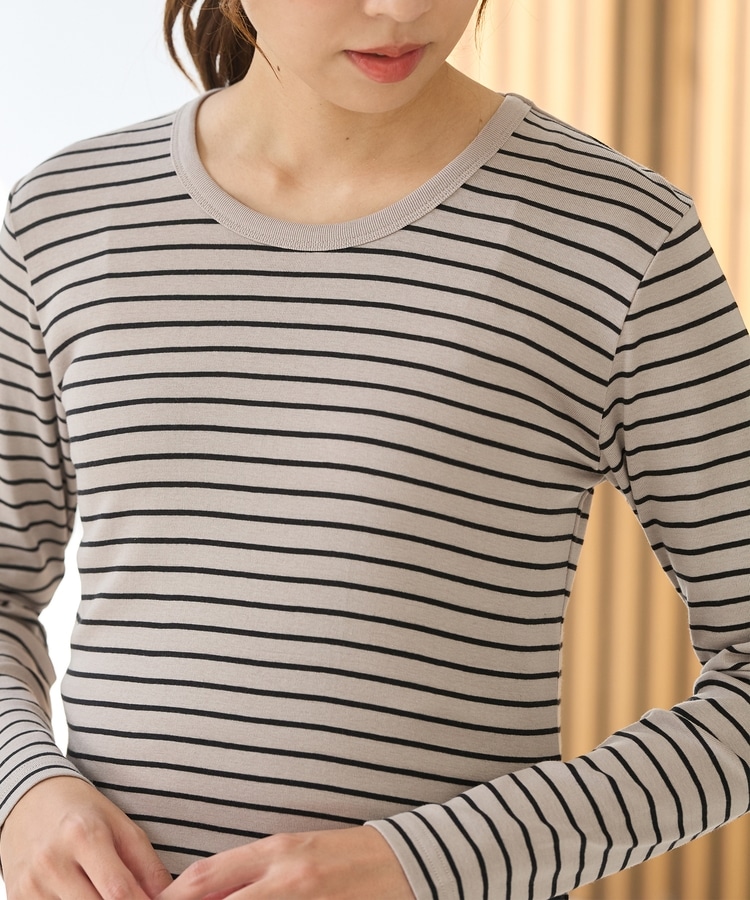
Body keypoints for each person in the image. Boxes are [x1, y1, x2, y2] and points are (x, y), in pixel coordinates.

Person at [0, 0, 748, 897]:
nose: (398, 9)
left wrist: (422, 863)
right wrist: (24, 791)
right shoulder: (67, 218)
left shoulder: (619, 237)